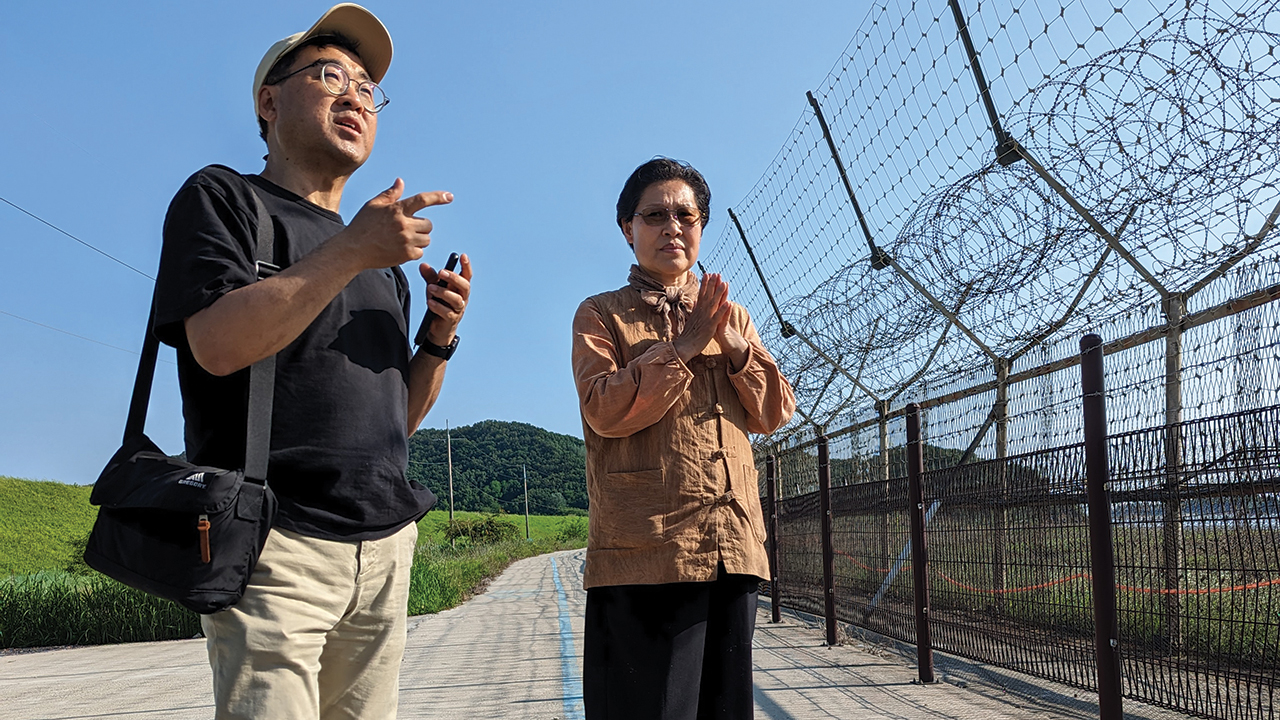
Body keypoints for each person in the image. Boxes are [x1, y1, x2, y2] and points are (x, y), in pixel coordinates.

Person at [151, 4, 471, 718]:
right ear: (269, 101)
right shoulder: (225, 199)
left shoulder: (377, 257)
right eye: (331, 75)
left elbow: (399, 420)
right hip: (275, 543)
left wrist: (438, 337)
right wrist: (354, 249)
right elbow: (217, 345)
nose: (356, 95)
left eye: (368, 87)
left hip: (385, 548)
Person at [572, 157, 796, 719]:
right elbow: (604, 408)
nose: (672, 226)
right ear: (628, 229)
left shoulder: (733, 314)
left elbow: (774, 411)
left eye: (685, 215)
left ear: (700, 226)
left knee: (725, 708)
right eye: (654, 215)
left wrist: (736, 347)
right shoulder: (601, 315)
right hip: (646, 550)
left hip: (733, 545)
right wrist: (687, 344)